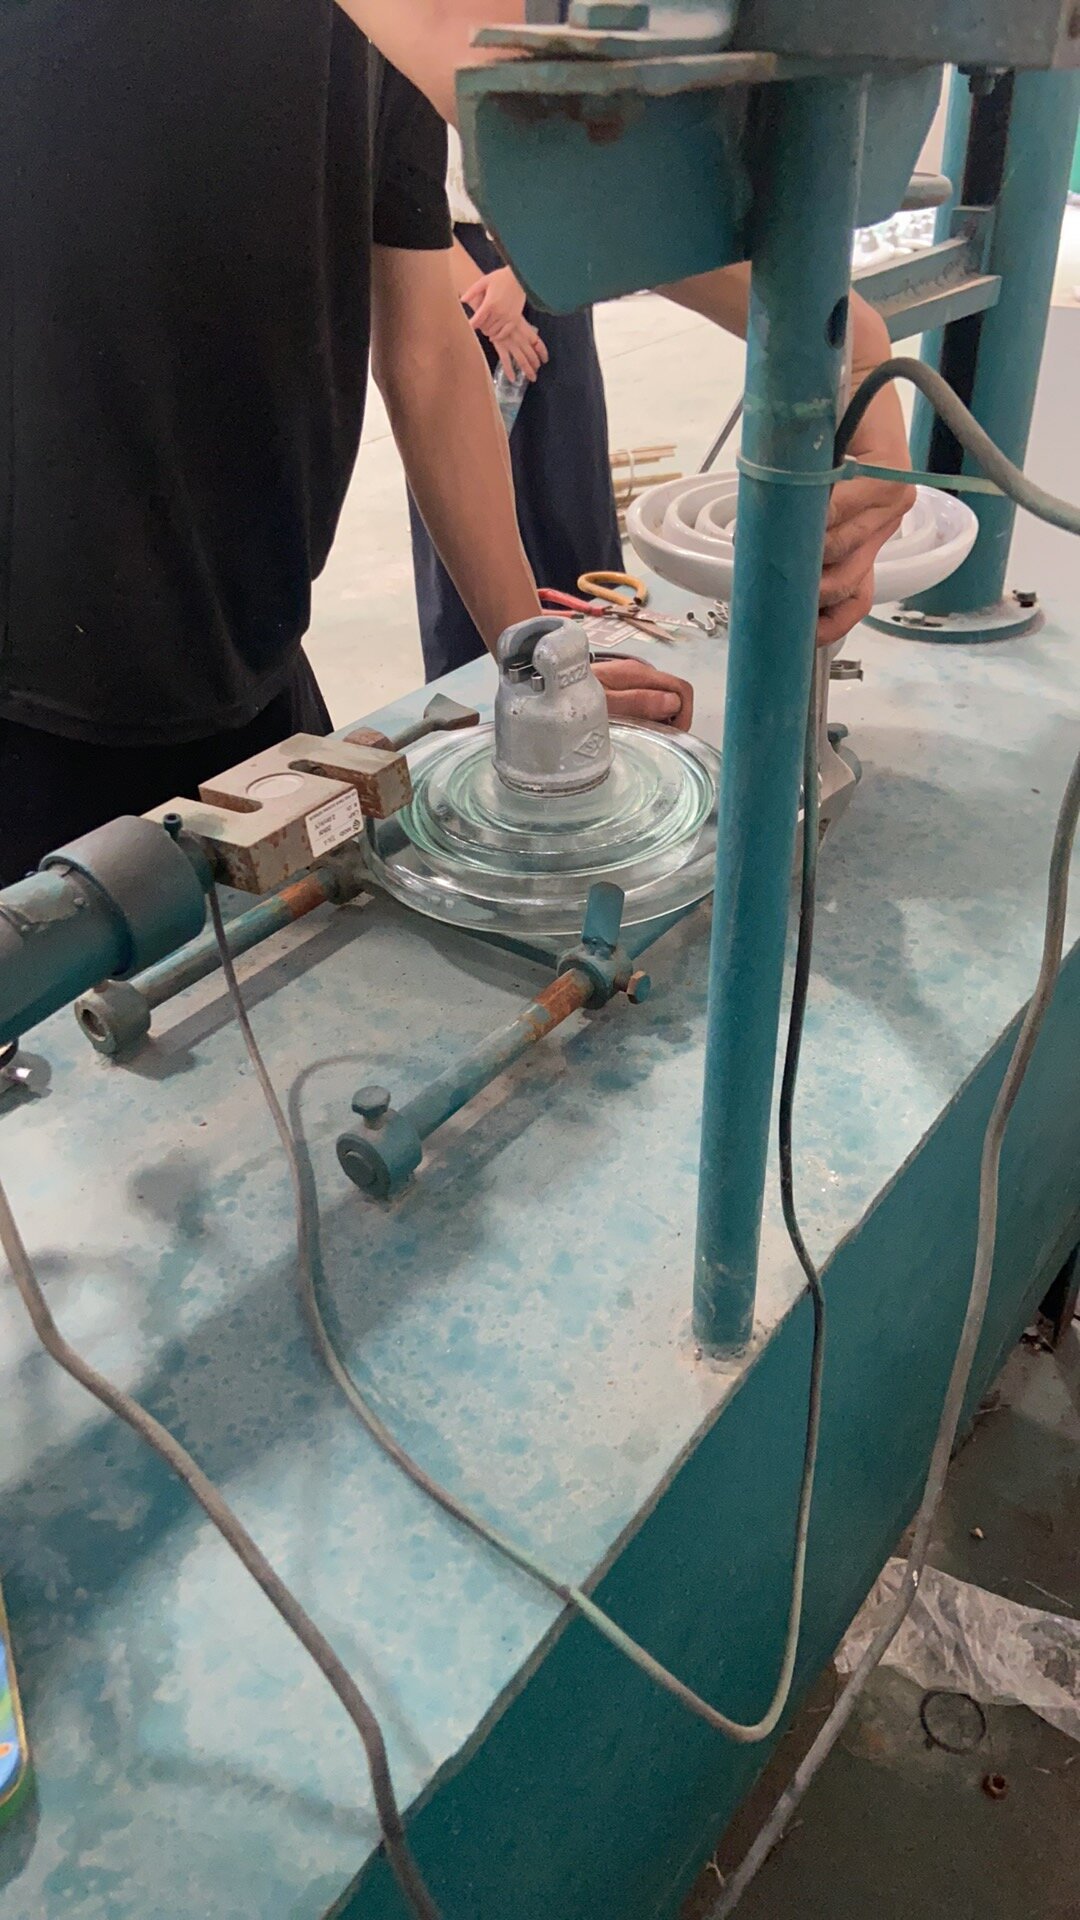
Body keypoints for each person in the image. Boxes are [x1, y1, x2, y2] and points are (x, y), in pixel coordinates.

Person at [0, 4, 690, 885]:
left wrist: (531, 662)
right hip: (32, 703)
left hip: (257, 652)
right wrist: (841, 346)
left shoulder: (368, 30)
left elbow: (427, 353)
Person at [340, 0, 916, 653]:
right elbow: (488, 52)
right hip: (250, 610)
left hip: (266, 634)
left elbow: (432, 355)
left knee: (565, 492)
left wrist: (534, 661)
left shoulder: (388, 75)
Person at [408, 127, 624, 681]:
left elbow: (587, 160)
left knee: (567, 490)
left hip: (550, 265)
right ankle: (475, 690)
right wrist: (491, 307)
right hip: (439, 270)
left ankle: (594, 678)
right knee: (460, 498)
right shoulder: (396, 75)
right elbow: (396, 191)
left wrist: (522, 277)